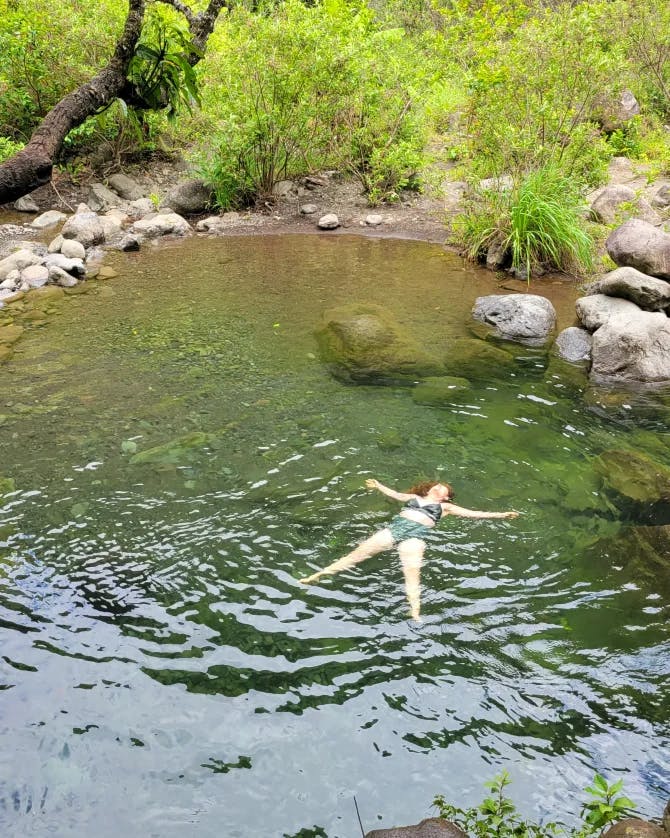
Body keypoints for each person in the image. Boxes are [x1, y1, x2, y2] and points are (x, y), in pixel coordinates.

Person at [299, 478, 519, 622]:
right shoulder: (414, 498)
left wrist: (501, 515)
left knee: (412, 574)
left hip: (416, 536)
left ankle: (415, 611)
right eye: (437, 485)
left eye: (444, 489)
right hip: (394, 528)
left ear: (445, 497)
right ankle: (317, 575)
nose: (439, 486)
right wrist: (377, 486)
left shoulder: (446, 507)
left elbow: (475, 513)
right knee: (355, 556)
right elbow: (394, 494)